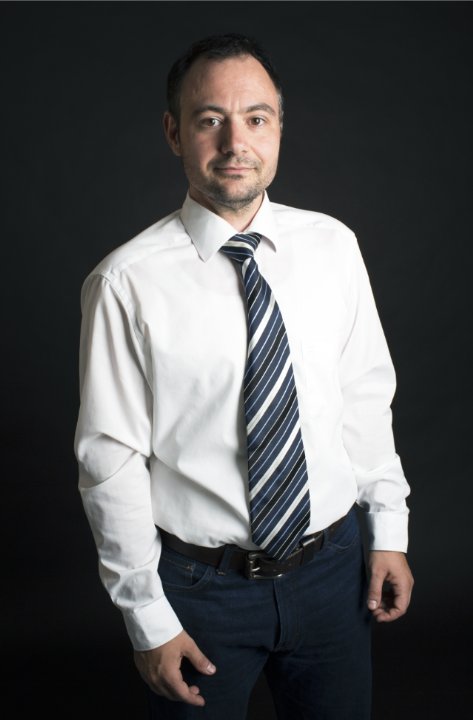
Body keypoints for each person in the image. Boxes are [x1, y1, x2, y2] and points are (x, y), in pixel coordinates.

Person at [74, 32, 414, 720]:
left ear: (279, 127)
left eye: (256, 118)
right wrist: (146, 616)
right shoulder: (125, 283)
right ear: (174, 133)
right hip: (201, 593)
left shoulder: (333, 247)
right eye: (210, 120)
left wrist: (388, 532)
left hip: (334, 573)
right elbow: (110, 461)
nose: (236, 142)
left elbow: (363, 397)